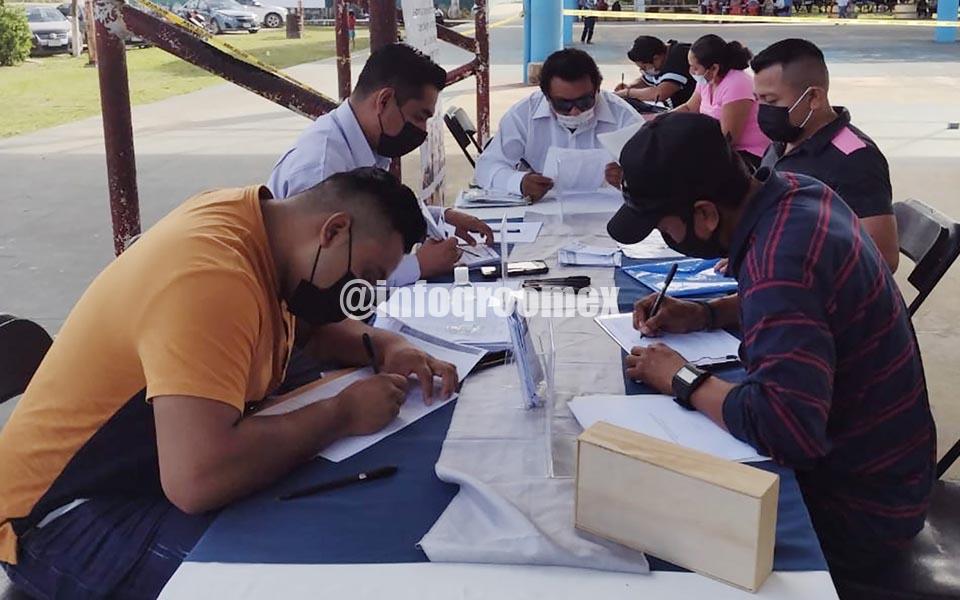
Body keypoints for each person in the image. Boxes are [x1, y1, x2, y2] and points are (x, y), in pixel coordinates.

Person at [0, 168, 461, 598]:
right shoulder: (212, 274)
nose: (358, 294)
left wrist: (385, 345)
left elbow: (304, 330)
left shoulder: (261, 233)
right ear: (334, 230)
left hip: (150, 472)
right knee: (299, 576)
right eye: (366, 275)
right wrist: (341, 413)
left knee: (321, 517)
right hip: (62, 516)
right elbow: (197, 479)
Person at [607, 112, 935, 577]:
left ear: (705, 214)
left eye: (664, 226)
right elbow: (804, 299)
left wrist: (680, 377)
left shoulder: (782, 258)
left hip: (862, 508)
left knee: (634, 527)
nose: (667, 238)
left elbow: (785, 428)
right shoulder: (798, 192)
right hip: (891, 467)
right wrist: (706, 313)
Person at [268, 43, 493, 287]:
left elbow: (377, 216)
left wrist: (441, 218)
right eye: (419, 117)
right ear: (384, 101)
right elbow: (323, 278)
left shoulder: (366, 144)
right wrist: (418, 265)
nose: (423, 131)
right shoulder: (321, 169)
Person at [751, 39, 899, 270]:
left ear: (814, 98)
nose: (762, 110)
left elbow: (882, 258)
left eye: (771, 101)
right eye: (757, 99)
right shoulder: (782, 141)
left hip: (808, 283)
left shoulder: (855, 159)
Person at [475, 48, 639, 200]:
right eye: (563, 104)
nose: (575, 111)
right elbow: (486, 167)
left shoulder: (625, 118)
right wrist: (518, 182)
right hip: (541, 208)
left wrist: (630, 180)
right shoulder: (524, 114)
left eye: (584, 101)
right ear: (546, 97)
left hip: (608, 210)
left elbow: (652, 173)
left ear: (597, 89)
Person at [672, 35, 769, 170]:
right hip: (721, 149)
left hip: (748, 155)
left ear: (714, 68)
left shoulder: (737, 83)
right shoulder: (707, 81)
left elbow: (727, 139)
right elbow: (689, 108)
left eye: (695, 68)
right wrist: (661, 120)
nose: (691, 72)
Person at [615, 36, 695, 110]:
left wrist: (628, 93)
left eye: (644, 67)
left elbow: (659, 94)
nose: (643, 71)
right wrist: (630, 86)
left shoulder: (679, 59)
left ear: (656, 58)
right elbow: (646, 80)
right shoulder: (661, 60)